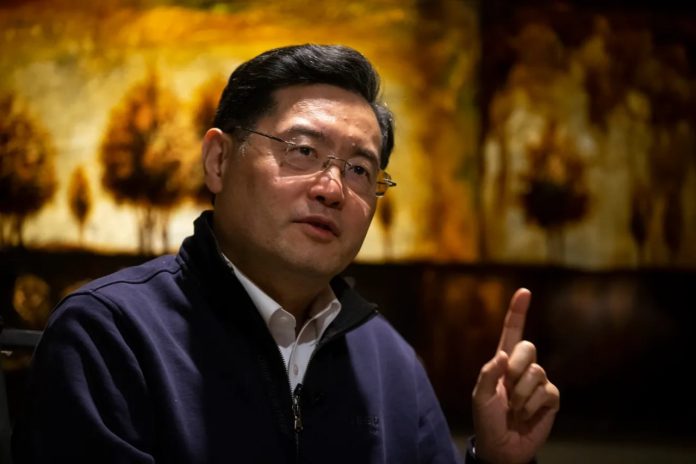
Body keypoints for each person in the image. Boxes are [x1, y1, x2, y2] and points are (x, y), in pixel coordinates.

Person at [12, 44, 559, 463]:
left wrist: (496, 461)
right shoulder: (110, 335)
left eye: (360, 169)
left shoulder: (389, 360)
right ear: (219, 161)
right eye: (302, 151)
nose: (332, 188)